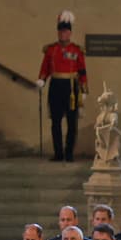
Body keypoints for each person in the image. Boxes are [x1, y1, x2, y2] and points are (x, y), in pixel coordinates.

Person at [35, 10, 87, 162]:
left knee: (72, 122)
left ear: (70, 33)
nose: (62, 34)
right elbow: (45, 68)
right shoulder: (51, 50)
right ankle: (58, 153)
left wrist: (84, 89)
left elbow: (82, 71)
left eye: (65, 32)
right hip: (56, 86)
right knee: (55, 121)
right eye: (60, 31)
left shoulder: (77, 50)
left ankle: (69, 152)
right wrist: (42, 80)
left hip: (71, 87)